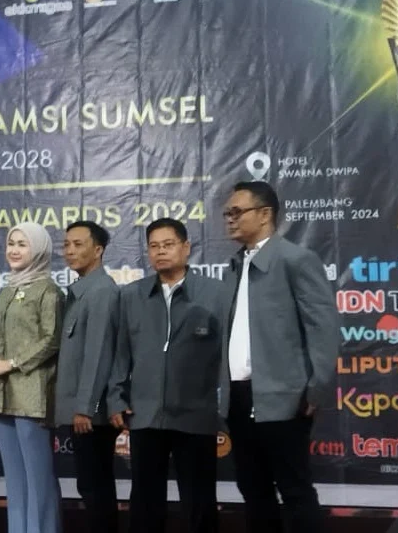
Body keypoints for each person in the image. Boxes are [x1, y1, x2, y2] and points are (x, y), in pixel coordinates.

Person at [222, 182, 340, 533]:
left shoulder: (296, 259)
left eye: (237, 212)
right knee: (252, 488)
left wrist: (316, 388)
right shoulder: (235, 265)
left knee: (294, 489)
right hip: (239, 396)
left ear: (265, 214)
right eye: (227, 213)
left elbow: (323, 328)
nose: (229, 219)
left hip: (284, 396)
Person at [108, 219, 231, 533]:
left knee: (199, 501)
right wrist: (116, 397)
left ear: (186, 248)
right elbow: (120, 353)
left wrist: (225, 404)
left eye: (168, 244)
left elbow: (229, 355)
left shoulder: (216, 293)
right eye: (154, 246)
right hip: (145, 414)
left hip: (197, 414)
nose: (160, 252)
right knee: (145, 502)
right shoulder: (131, 295)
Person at [0, 222, 62, 533]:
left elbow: (51, 339)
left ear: (39, 249)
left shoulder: (49, 290)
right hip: (2, 394)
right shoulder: (7, 290)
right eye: (11, 243)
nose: (13, 250)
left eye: (22, 244)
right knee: (14, 480)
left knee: (38, 479)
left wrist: (12, 363)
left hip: (32, 395)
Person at [53, 220, 120, 531]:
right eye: (66, 244)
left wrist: (85, 408)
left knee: (96, 488)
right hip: (83, 411)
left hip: (91, 415)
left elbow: (98, 354)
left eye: (78, 244)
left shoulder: (102, 291)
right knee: (90, 486)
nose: (70, 251)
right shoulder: (81, 292)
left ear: (98, 250)